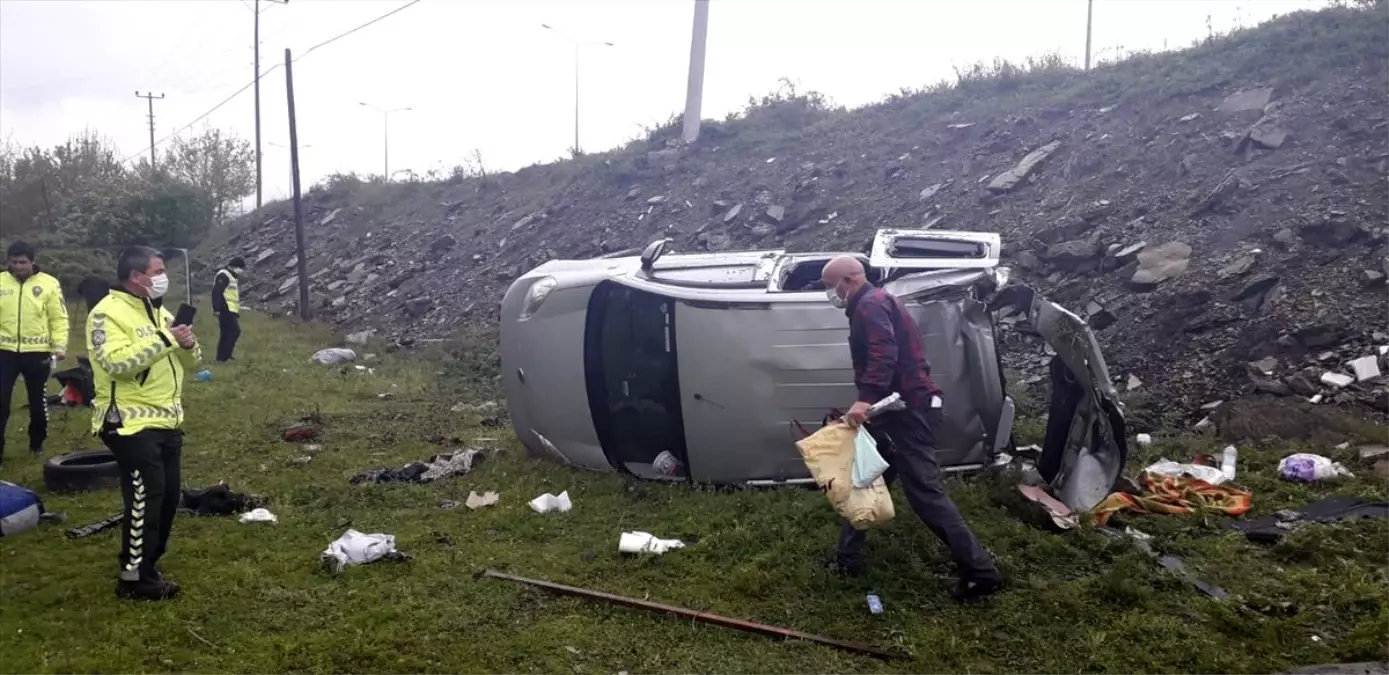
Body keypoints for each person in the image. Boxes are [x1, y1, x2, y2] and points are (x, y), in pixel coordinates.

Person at [820, 255, 1004, 602]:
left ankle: (981, 573)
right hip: (893, 410)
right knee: (865, 478)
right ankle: (847, 557)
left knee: (925, 496)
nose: (829, 293)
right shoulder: (873, 302)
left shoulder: (870, 305)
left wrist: (865, 399)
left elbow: (883, 352)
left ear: (849, 280)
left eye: (830, 286)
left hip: (908, 412)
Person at [88, 246, 200, 600]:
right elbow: (118, 364)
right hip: (128, 425)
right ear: (137, 277)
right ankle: (133, 579)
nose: (162, 276)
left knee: (167, 498)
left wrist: (186, 341)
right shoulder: (106, 313)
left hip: (167, 421)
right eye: (158, 270)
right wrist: (167, 339)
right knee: (145, 499)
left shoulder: (159, 311)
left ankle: (149, 564)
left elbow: (192, 361)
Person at [0, 241, 69, 464]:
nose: (18, 267)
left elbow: (58, 317)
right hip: (5, 352)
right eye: (14, 262)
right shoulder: (1, 282)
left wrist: (60, 346)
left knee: (37, 402)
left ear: (32, 261)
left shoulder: (49, 284)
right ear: (8, 261)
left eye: (23, 262)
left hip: (38, 352)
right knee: (1, 401)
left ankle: (36, 443)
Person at [210, 257, 244, 363]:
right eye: (240, 268)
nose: (241, 271)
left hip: (231, 309)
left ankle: (222, 357)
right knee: (235, 331)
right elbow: (216, 292)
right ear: (234, 266)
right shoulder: (224, 275)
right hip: (225, 308)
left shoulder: (232, 276)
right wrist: (217, 308)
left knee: (226, 333)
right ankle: (224, 357)